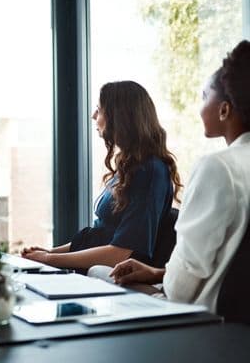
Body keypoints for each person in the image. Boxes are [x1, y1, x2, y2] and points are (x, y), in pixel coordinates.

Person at [109, 41, 250, 313]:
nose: (199, 107)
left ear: (224, 109)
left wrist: (162, 283)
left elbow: (182, 286)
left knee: (99, 275)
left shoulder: (218, 168)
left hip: (201, 321)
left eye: (204, 96)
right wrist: (156, 273)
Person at [22, 81, 182, 270]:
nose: (93, 116)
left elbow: (119, 254)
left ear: (119, 117)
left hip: (116, 279)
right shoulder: (130, 166)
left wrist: (49, 260)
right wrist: (49, 253)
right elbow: (101, 235)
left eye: (99, 110)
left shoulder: (150, 171)